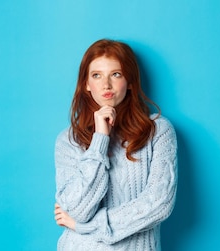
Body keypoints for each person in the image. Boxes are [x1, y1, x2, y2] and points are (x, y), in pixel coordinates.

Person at [53, 39, 178, 250]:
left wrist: (86, 227)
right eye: (96, 75)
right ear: (86, 84)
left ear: (129, 81)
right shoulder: (68, 140)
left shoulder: (158, 131)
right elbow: (77, 210)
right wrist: (100, 139)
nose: (106, 85)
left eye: (116, 74)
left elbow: (159, 204)